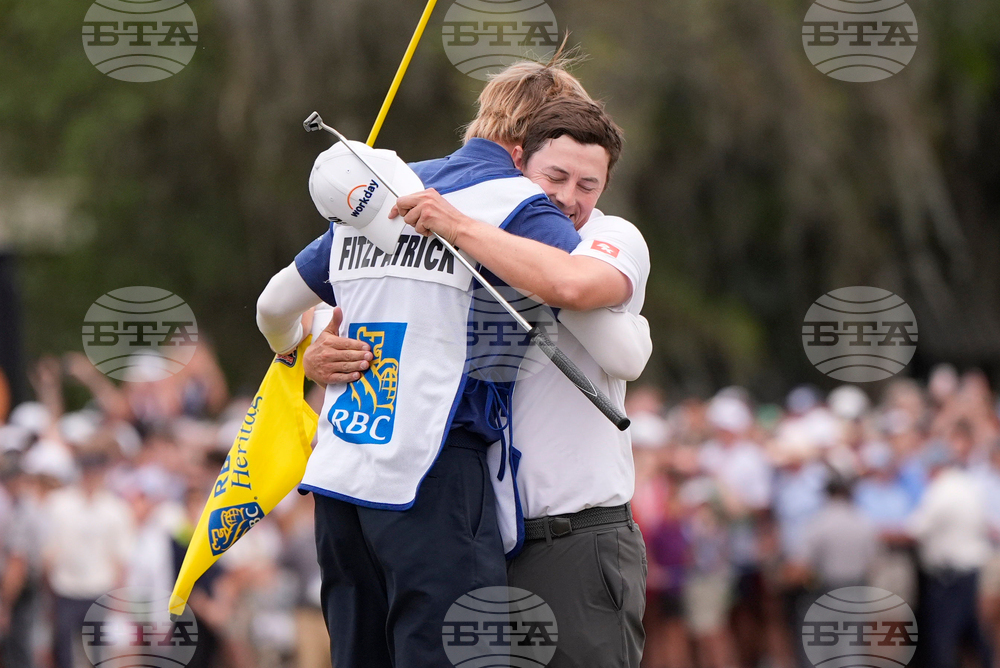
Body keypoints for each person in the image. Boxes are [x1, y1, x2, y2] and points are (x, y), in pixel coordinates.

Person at [255, 54, 589, 668]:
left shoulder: (381, 190)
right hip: (431, 475)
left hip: (340, 482)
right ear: (532, 146)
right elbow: (585, 286)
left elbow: (273, 304)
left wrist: (302, 354)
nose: (570, 193)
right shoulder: (525, 204)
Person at [309, 95, 654, 665]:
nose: (569, 199)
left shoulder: (606, 234)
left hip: (572, 537)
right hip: (479, 532)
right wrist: (314, 345)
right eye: (555, 176)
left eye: (588, 185)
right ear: (516, 162)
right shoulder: (480, 226)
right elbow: (321, 294)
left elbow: (617, 342)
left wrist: (461, 226)